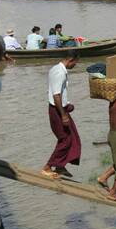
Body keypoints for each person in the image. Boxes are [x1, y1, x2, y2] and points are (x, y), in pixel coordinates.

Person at [42, 51, 81, 179]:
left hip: (59, 108)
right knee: (65, 139)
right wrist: (63, 115)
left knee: (72, 137)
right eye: (75, 62)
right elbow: (56, 95)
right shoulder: (60, 73)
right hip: (57, 110)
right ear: (71, 59)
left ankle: (59, 166)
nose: (75, 65)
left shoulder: (56, 68)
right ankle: (48, 167)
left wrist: (67, 105)